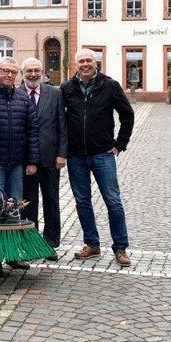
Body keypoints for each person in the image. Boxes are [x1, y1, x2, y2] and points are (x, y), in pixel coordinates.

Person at [60, 49, 135, 268]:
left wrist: (120, 144)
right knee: (82, 201)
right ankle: (92, 244)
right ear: (76, 65)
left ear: (96, 63)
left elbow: (127, 114)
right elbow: (58, 118)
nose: (85, 64)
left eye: (88, 61)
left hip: (102, 153)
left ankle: (120, 248)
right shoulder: (67, 88)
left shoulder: (109, 85)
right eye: (81, 61)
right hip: (76, 156)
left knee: (112, 200)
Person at [0, 57, 40, 274]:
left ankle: (12, 256)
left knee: (15, 210)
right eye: (5, 71)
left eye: (13, 72)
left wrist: (31, 161)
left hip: (17, 164)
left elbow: (32, 132)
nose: (9, 75)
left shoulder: (23, 98)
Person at [19, 57, 68, 260]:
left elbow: (62, 125)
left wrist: (62, 154)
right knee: (28, 203)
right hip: (26, 160)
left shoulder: (55, 93)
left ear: (42, 72)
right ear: (22, 73)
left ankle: (50, 243)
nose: (33, 74)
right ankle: (31, 244)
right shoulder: (16, 94)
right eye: (29, 71)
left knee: (51, 201)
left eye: (36, 70)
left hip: (50, 158)